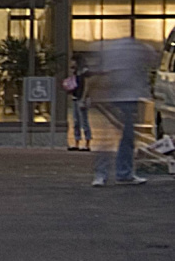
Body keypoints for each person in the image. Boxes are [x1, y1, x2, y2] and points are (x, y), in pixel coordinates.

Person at [89, 34, 158, 187]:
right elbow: (153, 60)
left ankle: (101, 175)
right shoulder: (138, 49)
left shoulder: (110, 50)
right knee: (127, 137)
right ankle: (124, 173)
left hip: (109, 97)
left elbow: (101, 74)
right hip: (128, 98)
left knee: (105, 140)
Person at [65, 52, 91, 152]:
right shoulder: (76, 72)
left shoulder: (85, 72)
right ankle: (77, 141)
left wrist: (83, 98)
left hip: (82, 98)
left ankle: (87, 143)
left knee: (84, 121)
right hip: (75, 97)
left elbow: (87, 86)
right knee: (76, 121)